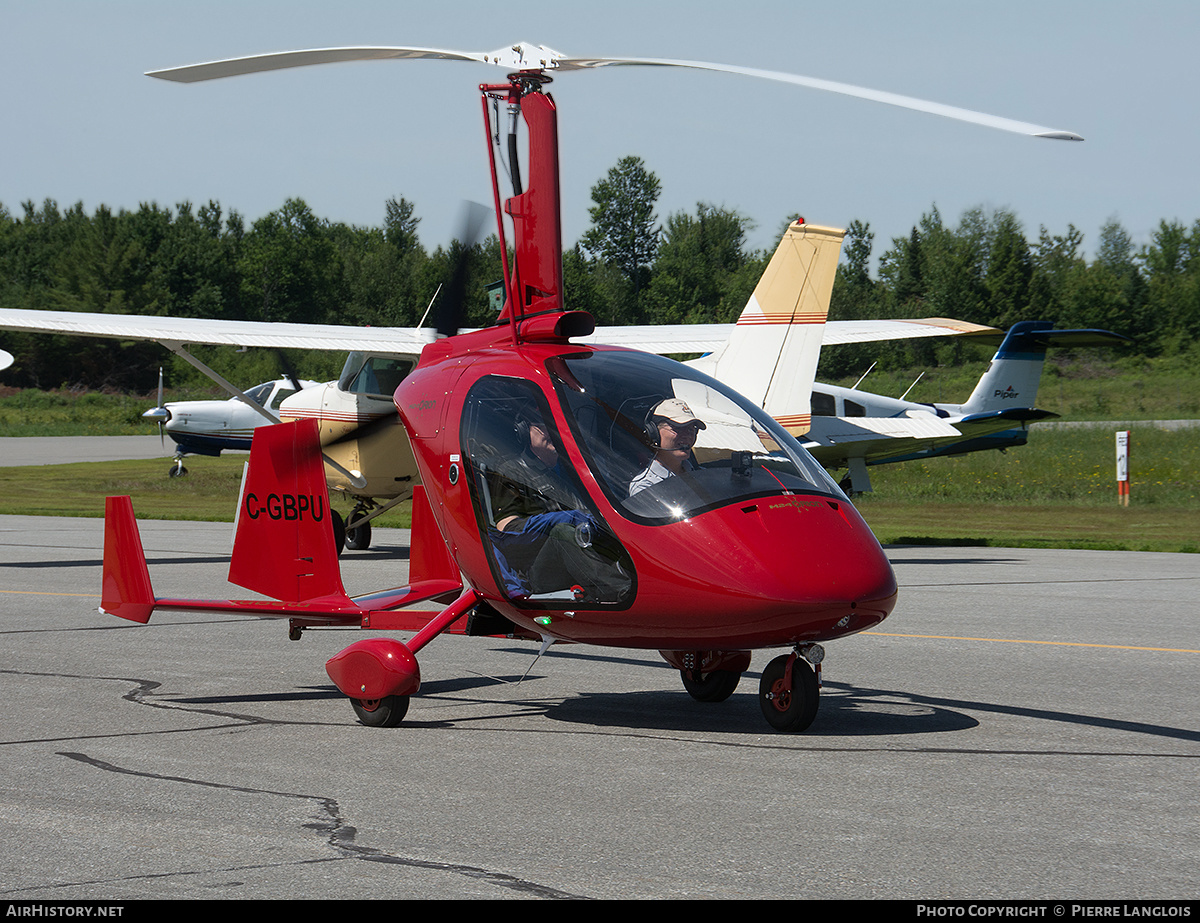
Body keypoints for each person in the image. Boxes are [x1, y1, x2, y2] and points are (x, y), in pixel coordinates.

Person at [486, 406, 630, 602]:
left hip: (587, 552)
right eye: (544, 425)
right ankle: (623, 592)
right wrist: (556, 520)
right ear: (523, 430)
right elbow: (507, 530)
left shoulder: (571, 471)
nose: (552, 431)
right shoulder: (511, 471)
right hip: (541, 569)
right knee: (563, 532)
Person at [628, 398, 707, 496]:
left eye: (690, 429)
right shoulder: (644, 487)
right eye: (678, 428)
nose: (687, 435)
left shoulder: (701, 474)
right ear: (654, 433)